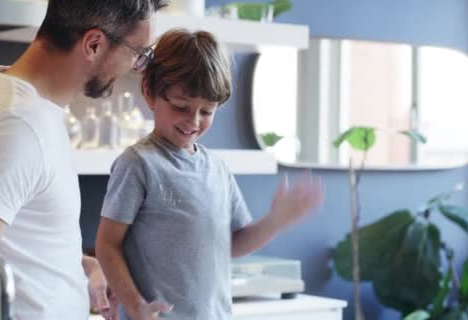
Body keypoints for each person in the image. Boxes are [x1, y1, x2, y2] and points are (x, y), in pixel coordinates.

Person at [0, 1, 167, 319]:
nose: (136, 65)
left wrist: (80, 266)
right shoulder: (15, 124)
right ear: (94, 44)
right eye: (139, 53)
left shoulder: (34, 110)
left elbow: (17, 245)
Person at [95, 29, 325, 320]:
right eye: (181, 107)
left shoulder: (218, 170)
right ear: (150, 93)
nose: (193, 121)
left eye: (206, 111)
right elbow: (107, 245)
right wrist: (135, 305)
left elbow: (233, 245)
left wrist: (276, 221)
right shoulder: (138, 164)